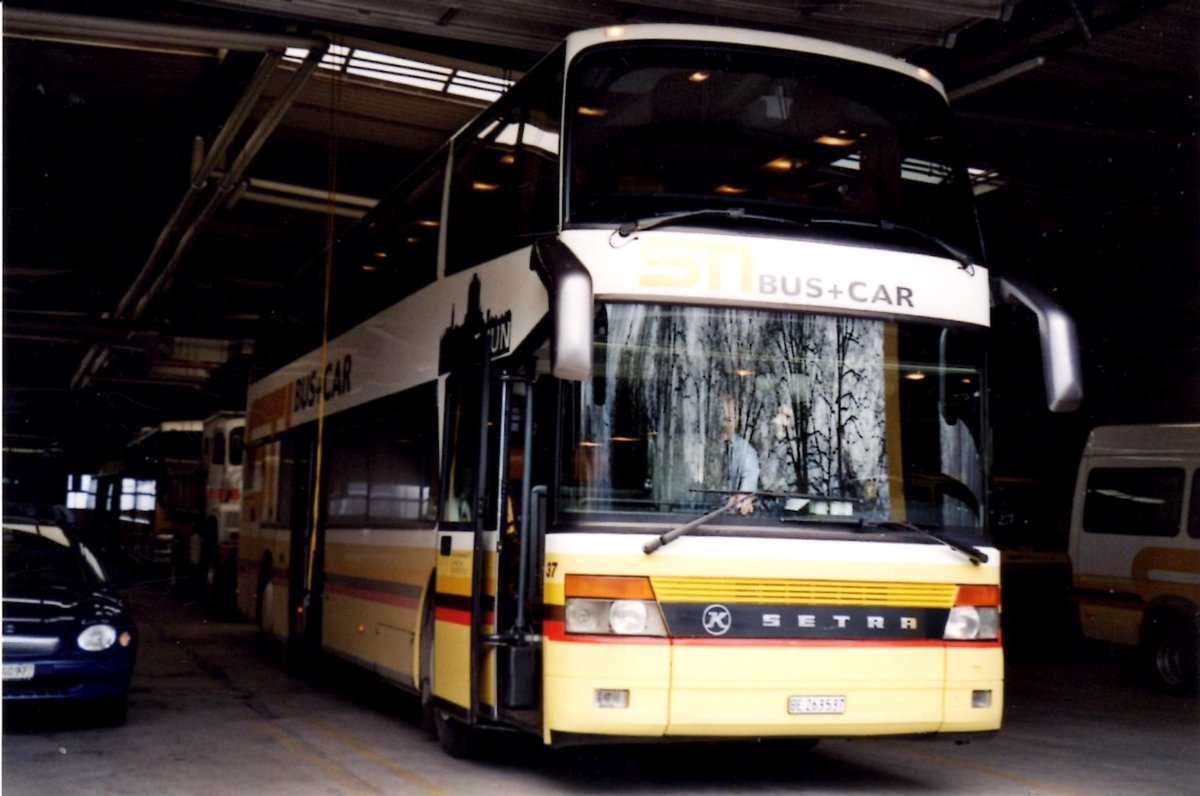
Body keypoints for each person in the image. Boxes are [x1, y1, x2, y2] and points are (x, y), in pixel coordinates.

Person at [720, 393, 759, 515]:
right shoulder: (697, 448)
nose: (725, 424)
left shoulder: (745, 452)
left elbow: (745, 491)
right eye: (722, 418)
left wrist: (741, 498)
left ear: (736, 421)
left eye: (729, 419)